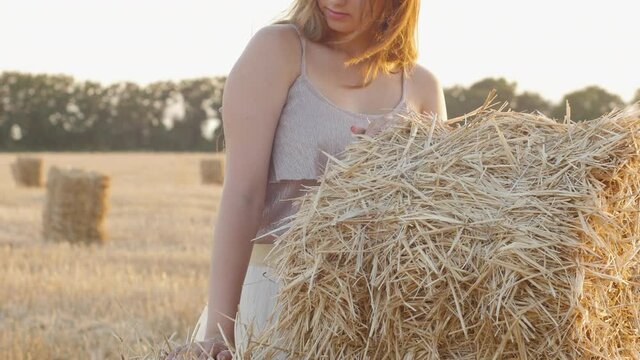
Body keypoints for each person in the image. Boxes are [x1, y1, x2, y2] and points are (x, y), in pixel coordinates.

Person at [167, 0, 446, 359]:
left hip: (381, 317)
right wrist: (219, 332)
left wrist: (395, 155)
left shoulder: (422, 87)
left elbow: (435, 226)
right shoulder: (278, 50)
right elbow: (243, 196)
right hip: (276, 302)